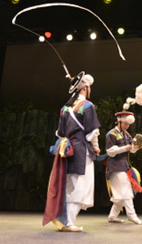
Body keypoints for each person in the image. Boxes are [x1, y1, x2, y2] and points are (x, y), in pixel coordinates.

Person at [43, 71, 101, 232]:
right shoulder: (87, 106)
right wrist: (96, 148)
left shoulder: (65, 108)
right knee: (82, 186)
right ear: (85, 88)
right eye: (90, 87)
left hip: (66, 149)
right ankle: (69, 222)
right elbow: (92, 133)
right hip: (82, 150)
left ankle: (66, 221)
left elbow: (60, 133)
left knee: (69, 185)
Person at [105, 110, 142, 225]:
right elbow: (110, 152)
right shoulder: (111, 134)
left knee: (120, 194)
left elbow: (131, 150)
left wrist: (136, 147)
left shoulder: (127, 135)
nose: (127, 126)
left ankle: (112, 216)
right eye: (125, 124)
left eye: (128, 124)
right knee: (126, 191)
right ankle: (132, 215)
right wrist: (124, 148)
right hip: (115, 167)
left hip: (124, 166)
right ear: (119, 122)